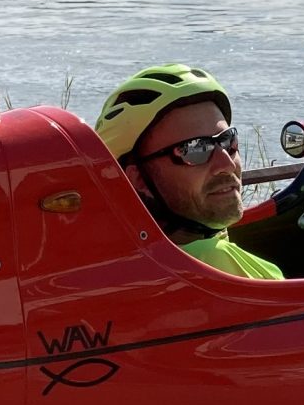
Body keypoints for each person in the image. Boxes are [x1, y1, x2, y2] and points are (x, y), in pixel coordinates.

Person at [93, 64, 283, 280]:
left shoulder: (111, 267)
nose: (227, 164)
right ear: (137, 178)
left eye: (227, 140)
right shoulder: (234, 273)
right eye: (195, 149)